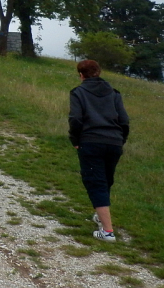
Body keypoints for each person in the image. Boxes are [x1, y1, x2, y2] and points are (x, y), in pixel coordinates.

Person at [69, 59, 130, 243]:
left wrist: (75, 139)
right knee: (105, 180)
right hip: (114, 142)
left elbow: (76, 119)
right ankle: (101, 216)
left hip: (91, 141)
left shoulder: (78, 92)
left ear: (81, 75)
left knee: (95, 182)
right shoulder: (113, 93)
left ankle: (108, 231)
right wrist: (120, 140)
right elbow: (124, 120)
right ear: (99, 72)